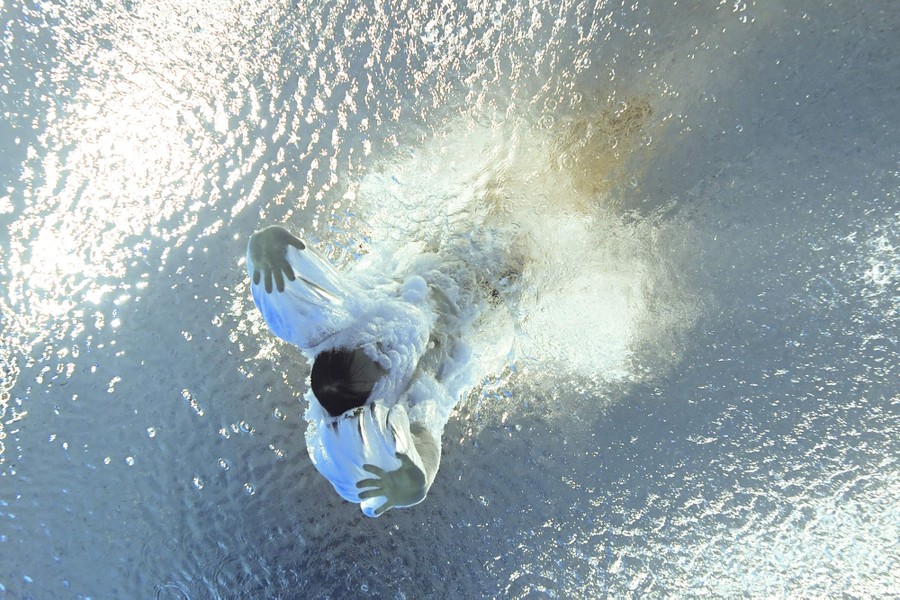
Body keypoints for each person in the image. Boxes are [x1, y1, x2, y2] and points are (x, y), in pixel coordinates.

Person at [246, 226, 442, 516]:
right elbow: (426, 430)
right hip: (444, 321)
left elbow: (300, 287)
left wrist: (265, 243)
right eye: (376, 364)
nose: (376, 352)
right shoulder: (391, 406)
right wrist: (418, 485)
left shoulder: (333, 333)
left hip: (406, 281)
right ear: (371, 389)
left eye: (363, 352)